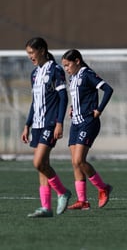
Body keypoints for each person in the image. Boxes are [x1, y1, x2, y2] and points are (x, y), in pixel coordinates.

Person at [21, 37, 72, 217]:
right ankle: (46, 207)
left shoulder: (55, 70)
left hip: (50, 123)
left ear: (42, 50)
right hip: (37, 124)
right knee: (42, 165)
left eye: (31, 53)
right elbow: (35, 102)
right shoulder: (35, 74)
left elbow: (63, 98)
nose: (29, 56)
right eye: (27, 53)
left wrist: (59, 122)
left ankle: (62, 192)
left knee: (37, 162)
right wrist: (27, 125)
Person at [61, 49, 113, 210]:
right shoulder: (73, 77)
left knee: (79, 160)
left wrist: (99, 109)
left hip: (88, 122)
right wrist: (72, 108)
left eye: (67, 65)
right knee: (75, 163)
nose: (66, 68)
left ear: (77, 61)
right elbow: (78, 97)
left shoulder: (86, 73)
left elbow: (108, 89)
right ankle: (83, 201)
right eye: (64, 66)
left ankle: (103, 188)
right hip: (75, 124)